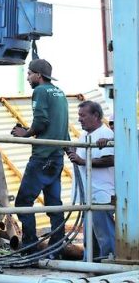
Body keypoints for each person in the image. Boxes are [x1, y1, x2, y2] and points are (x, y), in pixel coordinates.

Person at [11, 59, 70, 257]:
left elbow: (41, 121)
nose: (28, 78)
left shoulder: (40, 92)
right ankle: (56, 248)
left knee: (23, 202)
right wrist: (69, 151)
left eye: (29, 74)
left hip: (42, 157)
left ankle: (30, 248)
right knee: (54, 204)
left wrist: (25, 134)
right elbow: (62, 125)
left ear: (38, 75)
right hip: (56, 157)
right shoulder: (60, 94)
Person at [66, 101, 115, 260]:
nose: (79, 119)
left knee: (104, 234)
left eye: (83, 115)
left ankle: (110, 262)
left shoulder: (105, 134)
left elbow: (110, 159)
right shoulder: (85, 135)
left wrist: (83, 161)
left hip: (100, 193)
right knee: (90, 235)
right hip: (88, 194)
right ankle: (91, 263)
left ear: (95, 116)